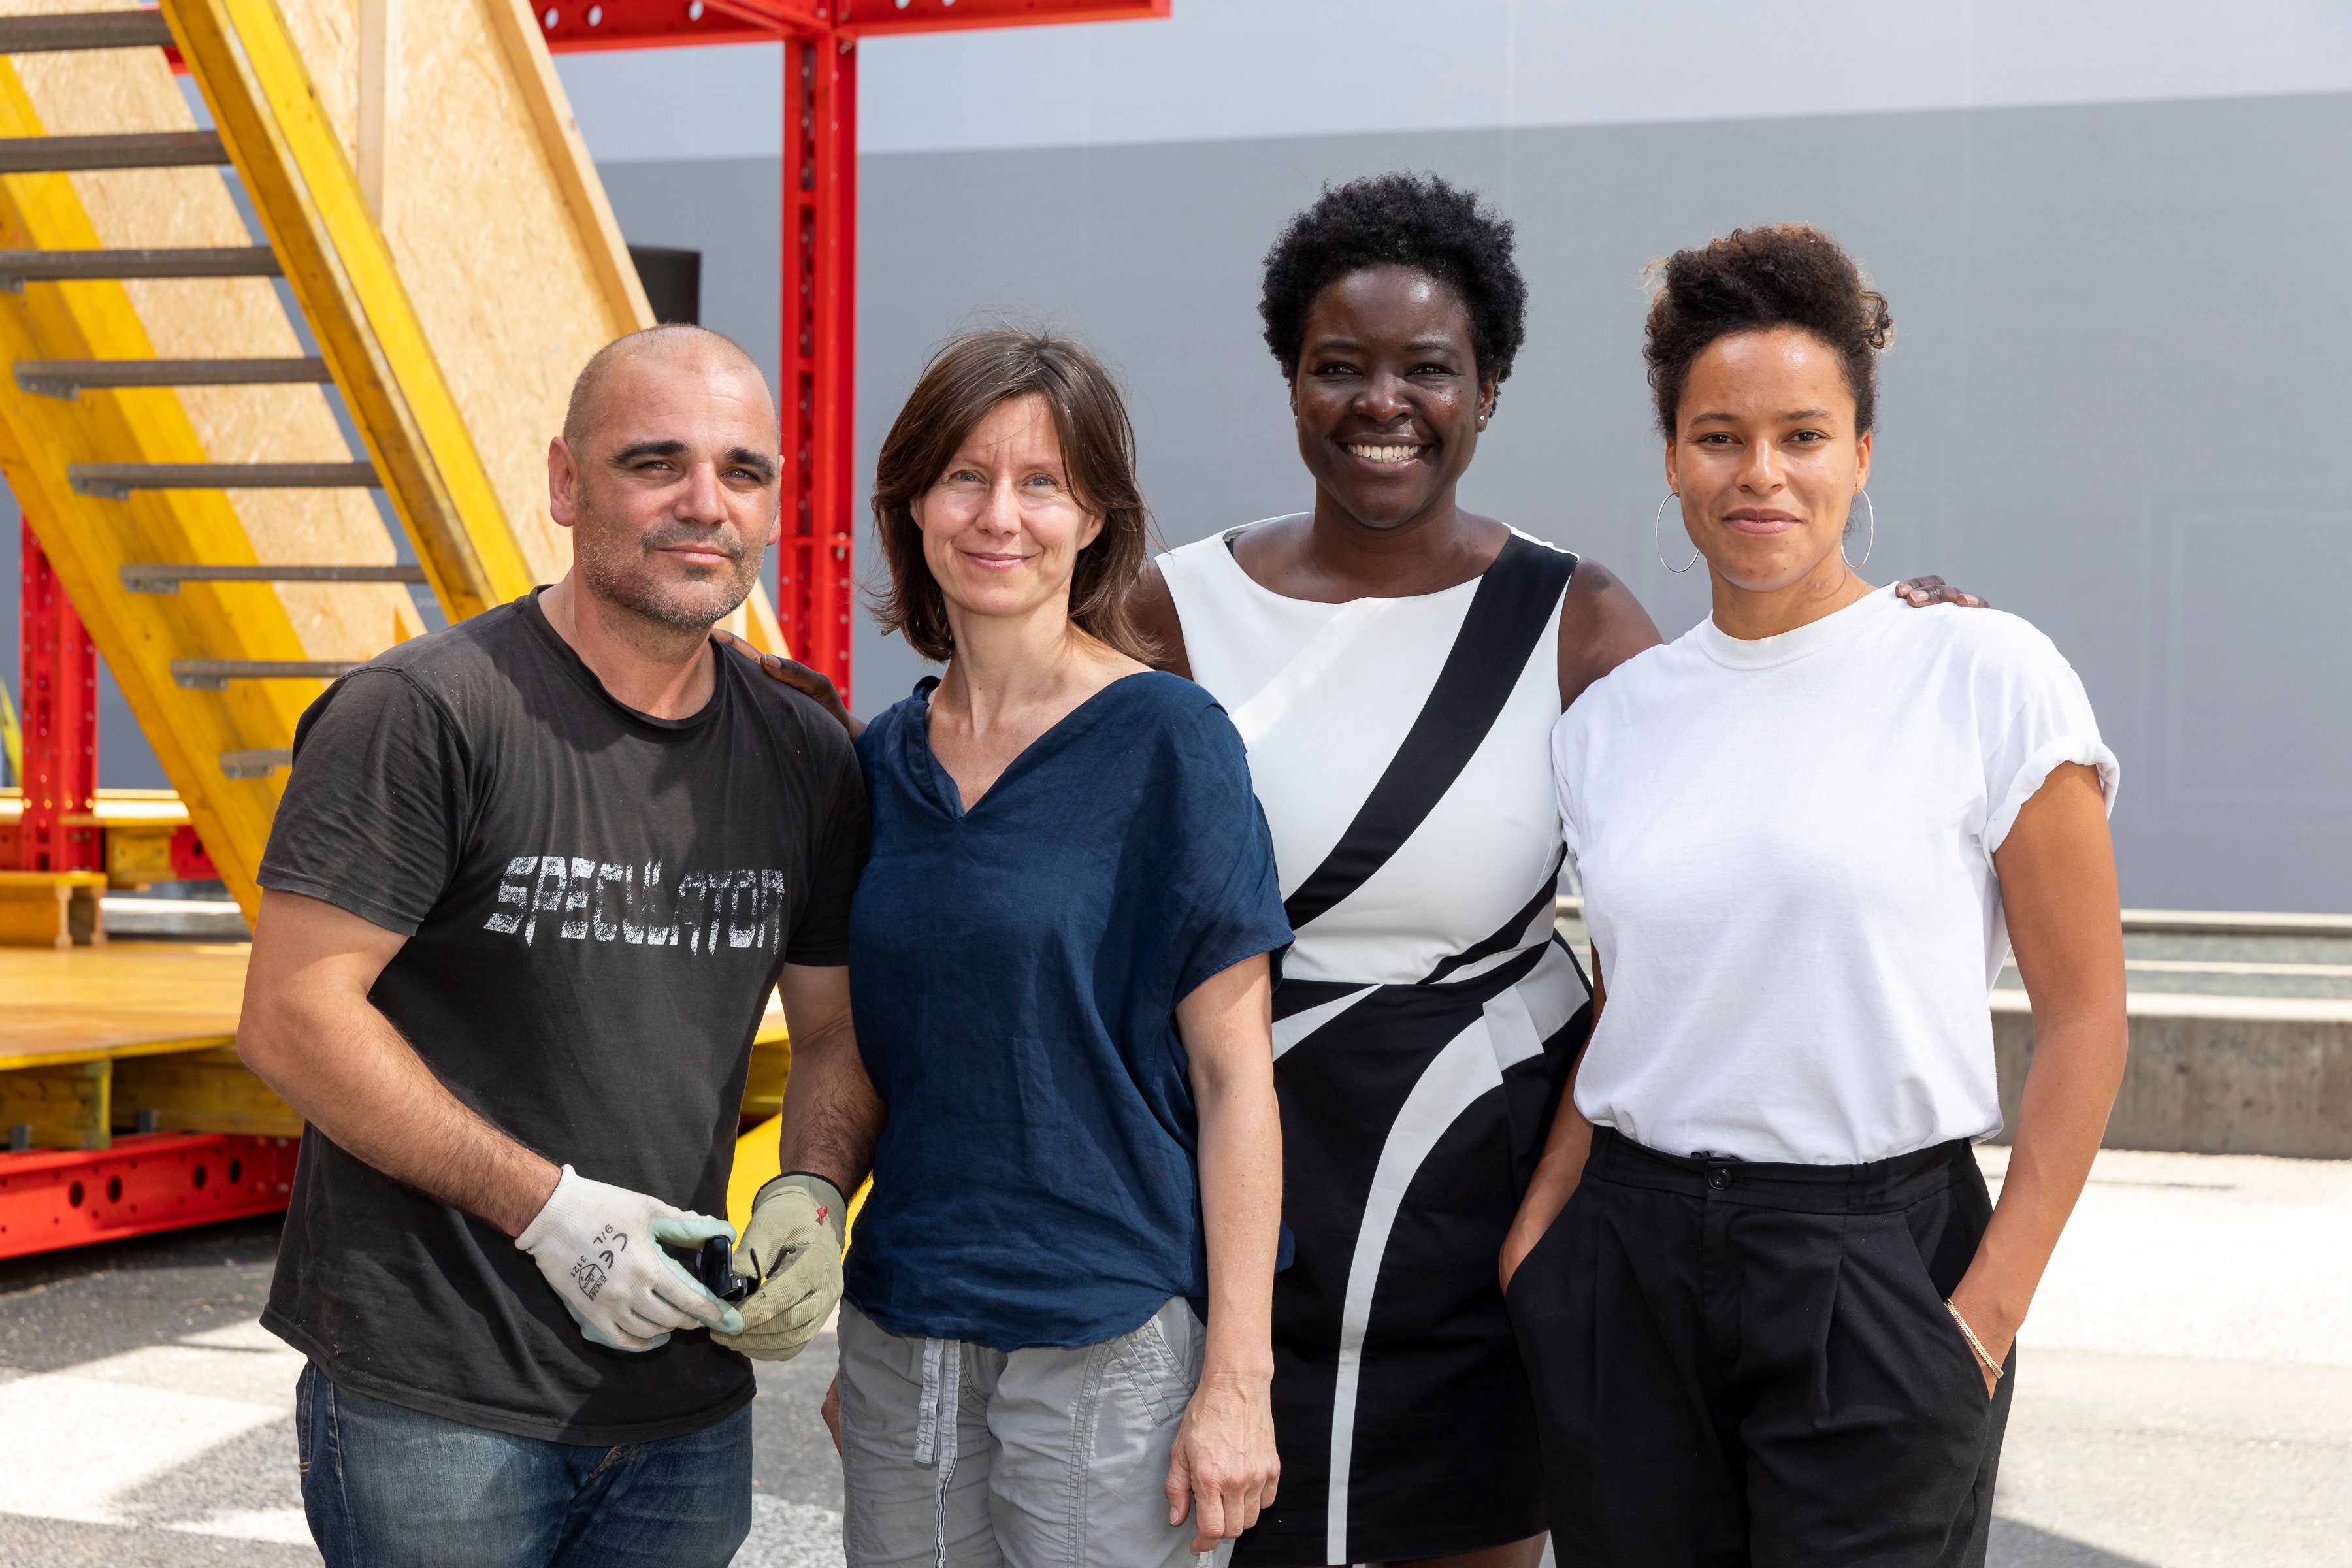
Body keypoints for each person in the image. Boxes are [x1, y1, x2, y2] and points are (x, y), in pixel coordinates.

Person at [1126, 174, 1983, 1568]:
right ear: (1291, 380)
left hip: (1478, 1204)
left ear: (1491, 387)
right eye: (1340, 367)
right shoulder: (1176, 602)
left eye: (1429, 369)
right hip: (1225, 1192)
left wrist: (1896, 637)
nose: (1382, 402)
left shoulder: (1574, 614)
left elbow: (1749, 780)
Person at [1501, 224, 2128, 1568]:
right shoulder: (1614, 724)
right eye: (1720, 436)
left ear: (1861, 455)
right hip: (1630, 1255)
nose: (1761, 474)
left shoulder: (1983, 675)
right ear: (1673, 455)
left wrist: (1982, 1317)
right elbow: (1632, 993)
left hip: (1878, 1265)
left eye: (1804, 434)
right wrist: (1542, 1243)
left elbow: (2087, 1021)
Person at [235, 325, 868, 1568]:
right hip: (436, 1399)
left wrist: (813, 1190)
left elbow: (839, 1028)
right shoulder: (426, 714)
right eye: (656, 463)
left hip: (683, 1407)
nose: (706, 505)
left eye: (743, 472)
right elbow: (295, 1016)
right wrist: (551, 1214)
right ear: (567, 484)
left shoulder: (806, 753)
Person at [745, 325, 1292, 1568]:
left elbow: (1235, 1076)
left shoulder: (1169, 742)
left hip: (1105, 1337)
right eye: (966, 478)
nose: (1002, 515)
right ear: (914, 507)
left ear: (1095, 515)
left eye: (1042, 482)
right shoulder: (878, 763)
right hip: (908, 1332)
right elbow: (850, 1042)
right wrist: (824, 1234)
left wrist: (1237, 1379)